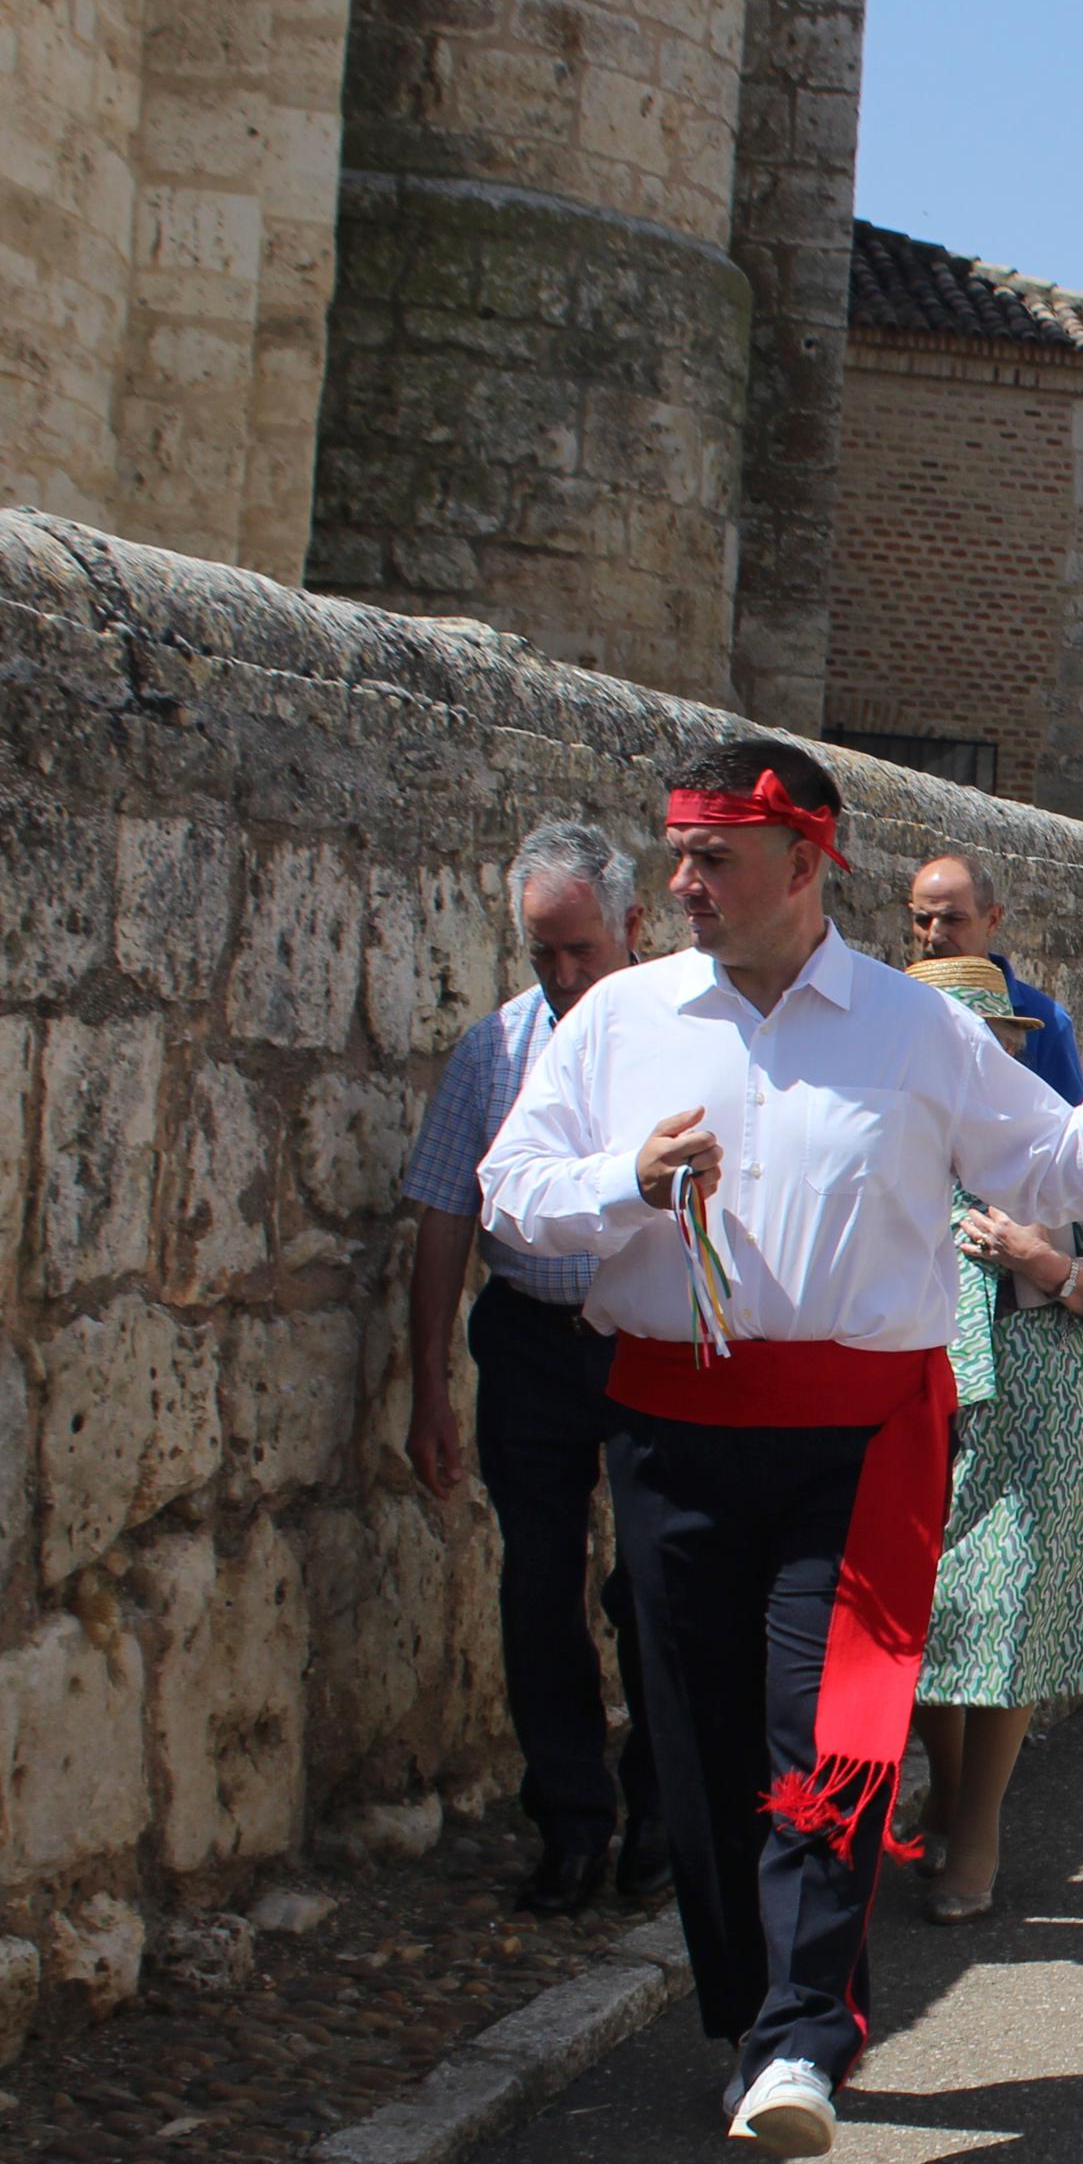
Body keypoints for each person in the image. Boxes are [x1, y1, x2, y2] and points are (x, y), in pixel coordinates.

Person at [479, 737, 1083, 2158]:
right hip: (670, 1430)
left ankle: (806, 2030)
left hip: (858, 1440)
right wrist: (620, 1184)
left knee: (828, 1721)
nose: (684, 883)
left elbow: (1056, 1168)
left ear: (808, 863)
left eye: (715, 858)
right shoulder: (622, 1017)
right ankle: (756, 2016)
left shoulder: (914, 1028)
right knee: (694, 1742)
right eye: (679, 852)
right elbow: (513, 1190)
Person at [404, 820, 662, 1914]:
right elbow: (443, 1216)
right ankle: (566, 1817)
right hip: (528, 1339)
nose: (561, 977)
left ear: (631, 930)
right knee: (537, 1583)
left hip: (647, 1345)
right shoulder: (495, 1049)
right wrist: (427, 1386)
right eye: (542, 953)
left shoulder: (677, 1042)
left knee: (651, 1584)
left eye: (579, 951)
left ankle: (661, 1813)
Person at [903, 959, 1083, 1925]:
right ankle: (951, 1785)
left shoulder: (1068, 1146)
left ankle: (977, 1831)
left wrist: (1043, 1262)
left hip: (1042, 1400)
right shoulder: (888, 1141)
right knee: (928, 1617)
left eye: (990, 1042)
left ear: (1011, 1047)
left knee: (1007, 1611)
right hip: (916, 1397)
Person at [907, 853, 1083, 1103]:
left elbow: (1066, 1132)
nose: (934, 935)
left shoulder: (1047, 1021)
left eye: (953, 920)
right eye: (923, 920)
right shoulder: (888, 1006)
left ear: (992, 920)